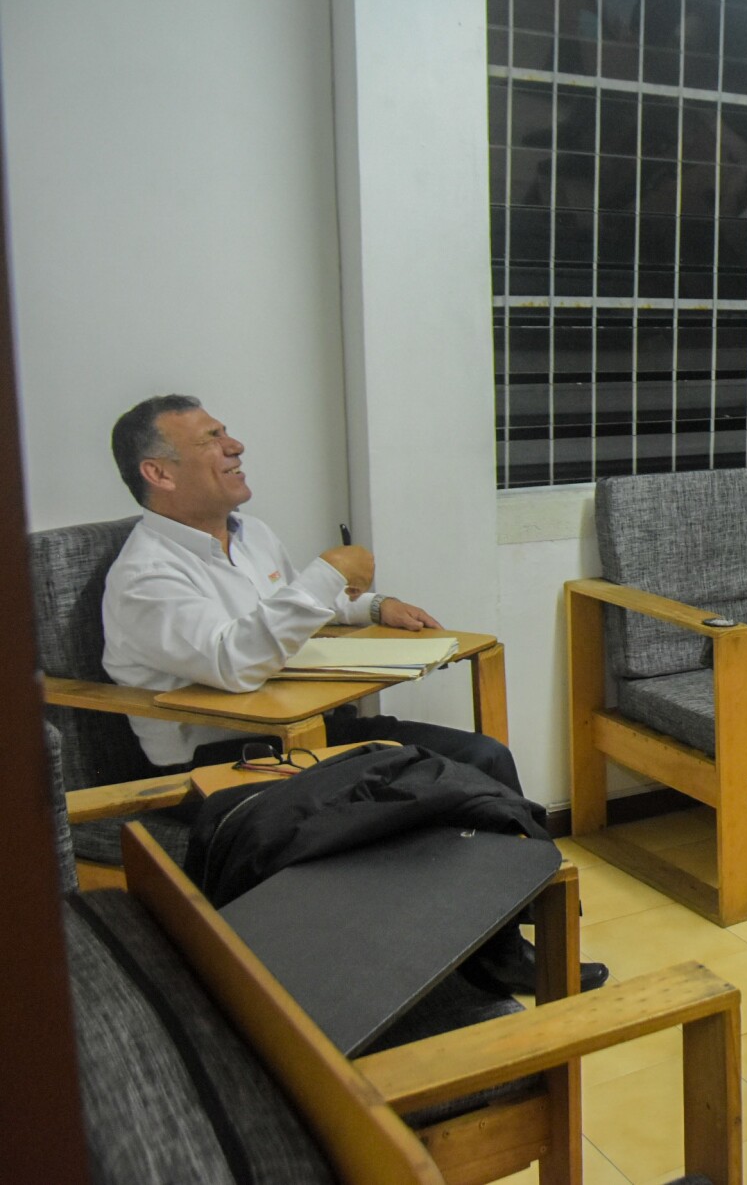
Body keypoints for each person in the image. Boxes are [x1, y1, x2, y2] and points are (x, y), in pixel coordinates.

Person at [102, 394, 606, 997]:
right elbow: (234, 659)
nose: (234, 446)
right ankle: (413, 959)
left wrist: (370, 606)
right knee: (431, 787)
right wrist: (327, 574)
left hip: (305, 733)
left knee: (483, 756)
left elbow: (283, 614)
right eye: (211, 439)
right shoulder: (146, 576)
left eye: (226, 432)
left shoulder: (250, 534)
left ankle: (499, 946)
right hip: (221, 765)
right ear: (158, 473)